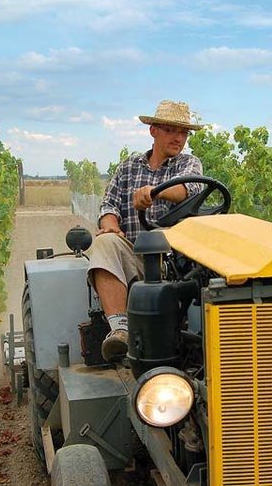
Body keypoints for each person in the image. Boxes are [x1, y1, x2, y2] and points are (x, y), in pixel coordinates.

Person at [88, 100, 205, 362]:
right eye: (171, 130)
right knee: (104, 242)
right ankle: (120, 331)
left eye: (183, 132)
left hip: (180, 263)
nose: (178, 138)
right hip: (136, 259)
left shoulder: (188, 164)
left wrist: (155, 193)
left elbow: (191, 189)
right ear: (153, 131)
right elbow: (109, 205)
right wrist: (111, 227)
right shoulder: (128, 167)